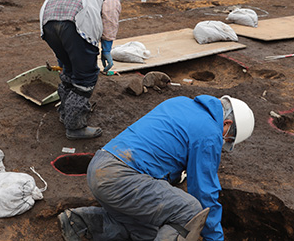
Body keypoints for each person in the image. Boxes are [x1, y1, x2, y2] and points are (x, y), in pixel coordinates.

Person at [57, 94, 255, 241]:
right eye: (227, 138)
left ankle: (79, 222)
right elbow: (204, 192)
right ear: (226, 123)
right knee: (191, 211)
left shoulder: (180, 102)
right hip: (122, 178)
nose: (222, 142)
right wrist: (214, 238)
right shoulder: (210, 132)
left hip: (100, 167)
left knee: (148, 232)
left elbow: (158, 148)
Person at [40, 0, 121, 140]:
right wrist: (106, 47)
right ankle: (75, 126)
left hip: (47, 19)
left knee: (69, 70)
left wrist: (62, 58)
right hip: (76, 21)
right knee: (86, 77)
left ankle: (65, 112)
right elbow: (110, 12)